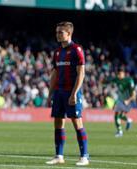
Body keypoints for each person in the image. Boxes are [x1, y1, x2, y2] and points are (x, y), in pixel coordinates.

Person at [46, 21, 89, 166]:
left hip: (72, 92)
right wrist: (50, 94)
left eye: (60, 32)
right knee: (58, 123)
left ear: (69, 33)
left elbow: (81, 73)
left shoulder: (77, 49)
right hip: (59, 92)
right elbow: (54, 73)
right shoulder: (57, 52)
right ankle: (59, 156)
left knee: (77, 123)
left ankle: (84, 156)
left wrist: (74, 93)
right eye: (57, 32)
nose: (57, 34)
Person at [111, 67, 136, 137]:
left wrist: (128, 100)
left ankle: (123, 127)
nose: (118, 75)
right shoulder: (117, 80)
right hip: (121, 101)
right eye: (117, 74)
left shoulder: (129, 81)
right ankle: (120, 130)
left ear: (123, 73)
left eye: (120, 74)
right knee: (117, 115)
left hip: (128, 101)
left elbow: (134, 95)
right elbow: (110, 80)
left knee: (119, 115)